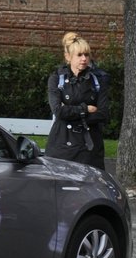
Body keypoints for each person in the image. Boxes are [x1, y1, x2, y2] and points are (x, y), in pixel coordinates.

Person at [45, 32, 108, 170]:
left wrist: (70, 112)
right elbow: (58, 111)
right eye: (79, 55)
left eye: (86, 55)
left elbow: (102, 114)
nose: (84, 59)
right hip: (62, 144)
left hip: (89, 145)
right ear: (68, 57)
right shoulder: (56, 79)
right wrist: (85, 109)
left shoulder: (98, 80)